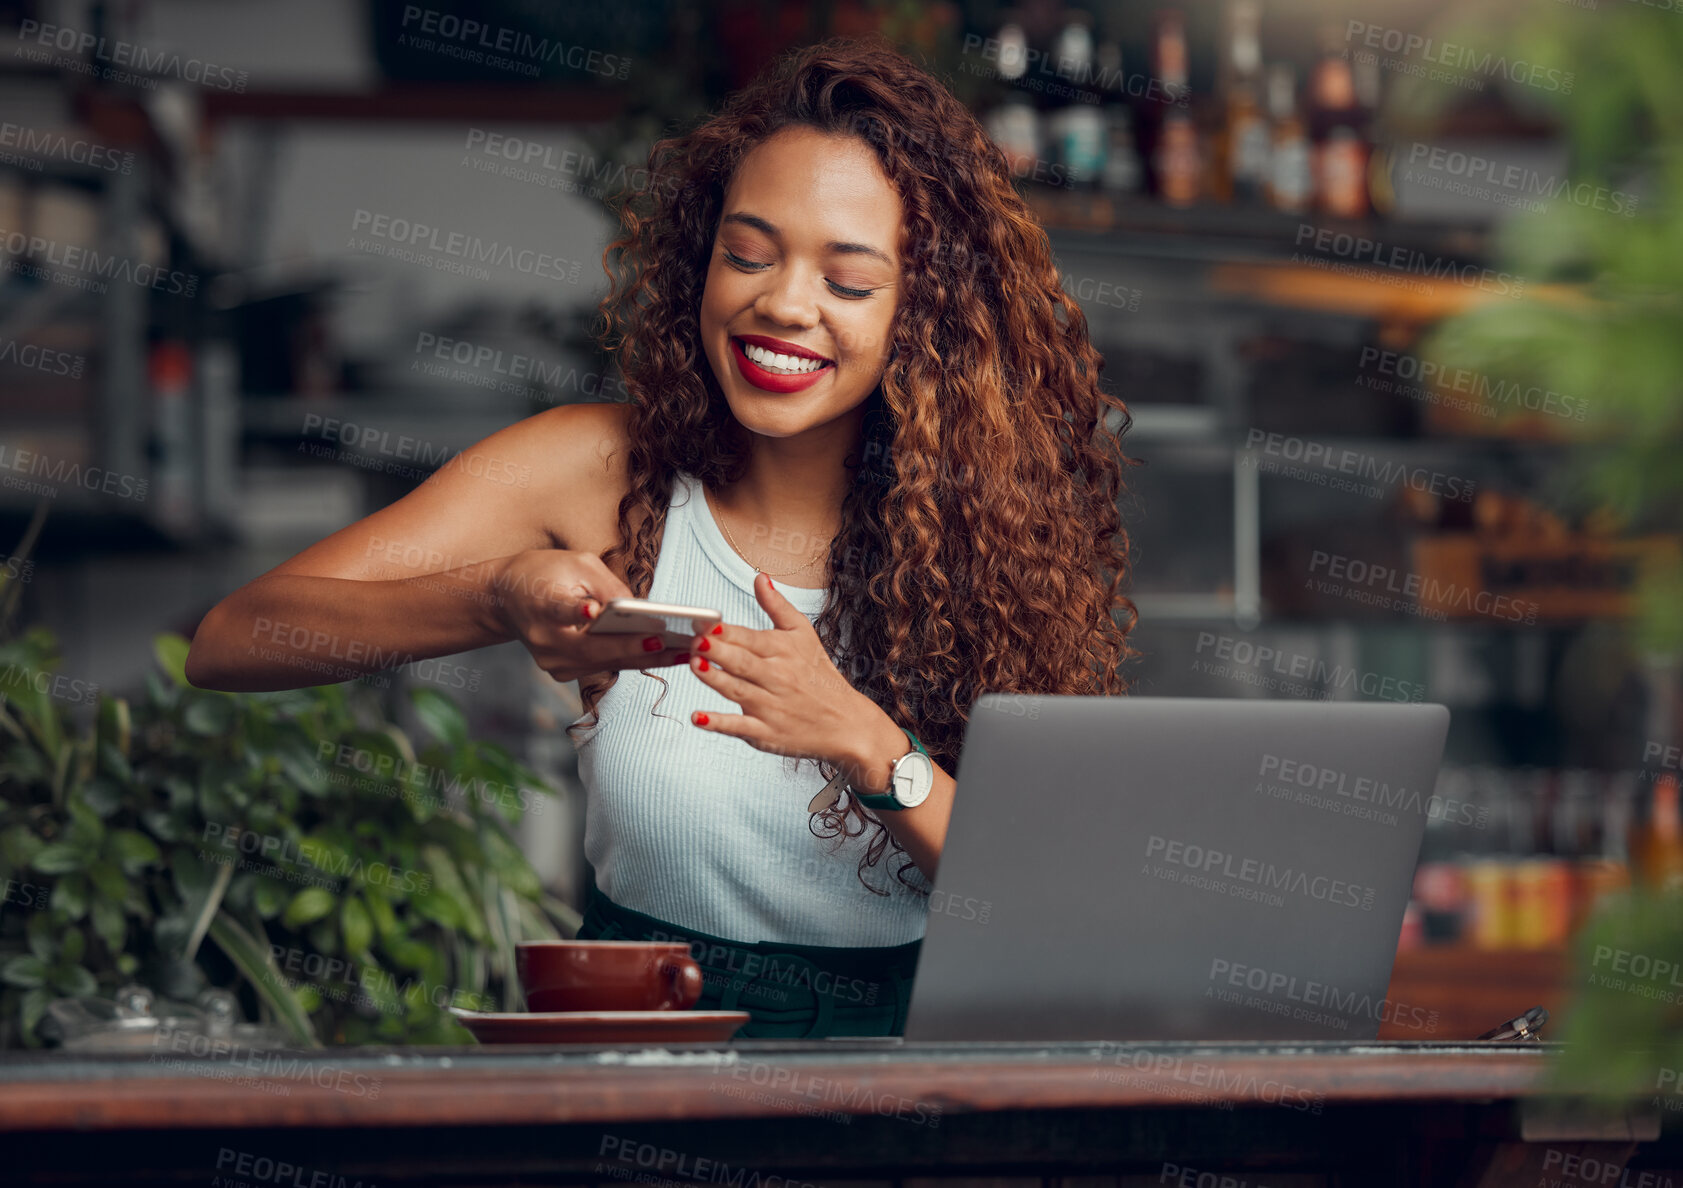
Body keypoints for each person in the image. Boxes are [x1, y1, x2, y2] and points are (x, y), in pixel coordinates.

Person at [186, 35, 1137, 1038]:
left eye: (849, 283)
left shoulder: (985, 547)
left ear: (927, 319)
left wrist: (865, 743)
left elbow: (1057, 909)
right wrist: (496, 597)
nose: (782, 304)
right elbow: (233, 639)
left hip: (891, 1073)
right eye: (748, 254)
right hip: (634, 1052)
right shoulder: (598, 472)